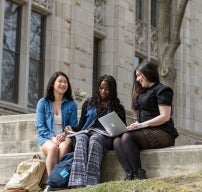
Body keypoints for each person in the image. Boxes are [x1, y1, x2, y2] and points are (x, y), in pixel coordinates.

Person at [113, 61, 178, 180]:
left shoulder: (163, 90)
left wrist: (142, 124)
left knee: (128, 137)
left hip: (163, 132)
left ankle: (139, 174)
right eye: (136, 76)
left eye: (139, 75)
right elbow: (145, 117)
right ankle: (129, 174)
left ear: (148, 73)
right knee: (117, 140)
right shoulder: (141, 93)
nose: (137, 79)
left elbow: (165, 116)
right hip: (145, 131)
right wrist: (136, 124)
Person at [66, 75, 126, 188]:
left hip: (105, 137)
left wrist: (113, 132)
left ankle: (91, 181)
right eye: (101, 88)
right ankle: (77, 181)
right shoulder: (89, 103)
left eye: (107, 89)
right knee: (81, 137)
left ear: (112, 90)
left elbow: (122, 130)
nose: (103, 91)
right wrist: (71, 129)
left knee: (95, 138)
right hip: (87, 132)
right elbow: (80, 126)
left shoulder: (118, 108)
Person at [35, 71, 78, 176]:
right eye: (60, 81)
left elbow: (73, 126)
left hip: (65, 137)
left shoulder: (72, 104)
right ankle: (52, 182)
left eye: (65, 82)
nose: (63, 84)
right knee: (53, 148)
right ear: (53, 84)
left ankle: (59, 180)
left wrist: (63, 135)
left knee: (63, 147)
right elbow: (40, 126)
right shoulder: (43, 103)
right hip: (47, 138)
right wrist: (53, 138)